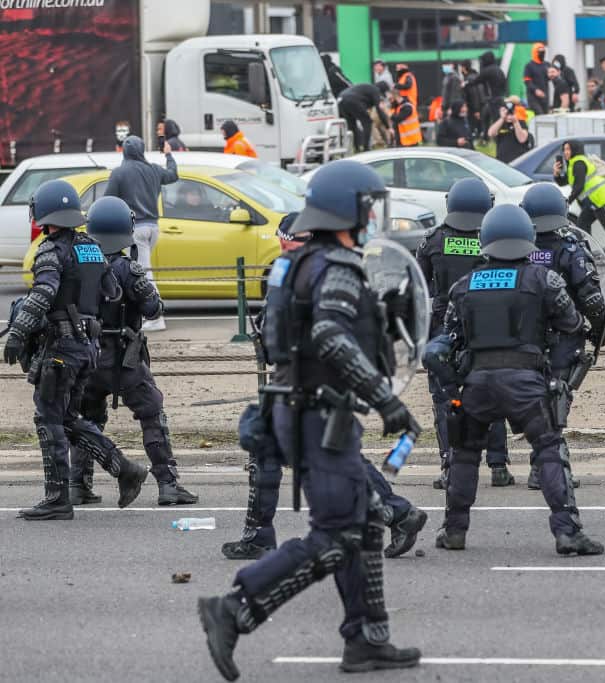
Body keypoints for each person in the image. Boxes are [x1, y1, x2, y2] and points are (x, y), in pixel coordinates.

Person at [197, 160, 422, 679]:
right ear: (349, 209)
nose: (371, 214)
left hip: (297, 408)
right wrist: (384, 399)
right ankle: (234, 609)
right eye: (367, 205)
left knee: (363, 525)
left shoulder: (297, 261)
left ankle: (367, 639)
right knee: (338, 532)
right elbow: (329, 336)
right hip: (321, 414)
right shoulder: (337, 266)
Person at [432, 203, 603, 556]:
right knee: (549, 450)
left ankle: (454, 531)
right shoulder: (544, 279)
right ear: (527, 238)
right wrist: (557, 376)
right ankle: (567, 532)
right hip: (526, 383)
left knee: (464, 455)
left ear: (486, 240)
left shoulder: (464, 286)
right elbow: (572, 325)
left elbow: (443, 342)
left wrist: (452, 388)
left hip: (476, 384)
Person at [3, 180, 149, 521]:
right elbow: (111, 292)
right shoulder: (92, 248)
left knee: (48, 419)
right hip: (88, 349)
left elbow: (42, 293)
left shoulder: (51, 250)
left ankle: (57, 498)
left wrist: (18, 333)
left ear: (44, 214)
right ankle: (124, 468)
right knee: (68, 418)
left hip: (60, 350)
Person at [70, 196, 198, 507]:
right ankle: (168, 485)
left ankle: (78, 485)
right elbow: (153, 309)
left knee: (88, 419)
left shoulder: (78, 265)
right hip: (125, 360)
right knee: (152, 414)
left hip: (87, 357)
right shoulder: (128, 268)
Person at [415, 178, 514, 490]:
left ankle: (450, 467)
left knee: (447, 401)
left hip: (443, 333)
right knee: (493, 396)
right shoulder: (494, 240)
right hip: (489, 330)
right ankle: (498, 466)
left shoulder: (432, 240)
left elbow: (419, 288)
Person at [521, 183, 605, 490]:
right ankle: (546, 467)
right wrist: (598, 335)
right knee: (557, 401)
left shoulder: (516, 249)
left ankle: (541, 464)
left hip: (525, 338)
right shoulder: (570, 248)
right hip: (563, 337)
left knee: (534, 402)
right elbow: (593, 300)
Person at [104, 135, 177, 332]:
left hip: (135, 230)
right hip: (154, 228)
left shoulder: (119, 173)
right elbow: (173, 175)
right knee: (139, 270)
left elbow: (107, 200)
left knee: (142, 272)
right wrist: (169, 155)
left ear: (125, 152)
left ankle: (155, 316)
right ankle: (140, 313)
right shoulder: (153, 169)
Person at [554, 140, 605, 241]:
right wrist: (556, 173)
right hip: (592, 202)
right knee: (582, 226)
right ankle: (587, 252)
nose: (565, 152)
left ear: (575, 149)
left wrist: (567, 202)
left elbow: (579, 186)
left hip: (600, 198)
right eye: (564, 149)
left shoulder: (579, 163)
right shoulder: (573, 164)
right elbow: (563, 182)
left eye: (568, 149)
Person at [340, 82, 391, 153]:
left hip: (341, 99)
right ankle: (366, 148)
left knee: (352, 125)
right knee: (367, 122)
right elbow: (379, 111)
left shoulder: (368, 88)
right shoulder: (375, 90)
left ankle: (356, 148)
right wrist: (388, 127)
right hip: (352, 99)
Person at [471, 50, 508, 130]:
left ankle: (492, 135)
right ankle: (487, 136)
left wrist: (466, 83)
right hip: (502, 97)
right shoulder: (498, 69)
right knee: (491, 116)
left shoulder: (488, 70)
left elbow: (476, 81)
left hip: (494, 99)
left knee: (494, 118)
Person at [524, 42, 550, 114]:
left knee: (545, 116)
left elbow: (551, 77)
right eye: (540, 52)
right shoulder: (529, 66)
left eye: (543, 52)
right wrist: (536, 90)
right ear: (535, 52)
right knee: (540, 115)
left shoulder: (547, 65)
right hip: (533, 97)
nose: (542, 54)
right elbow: (527, 81)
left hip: (545, 96)